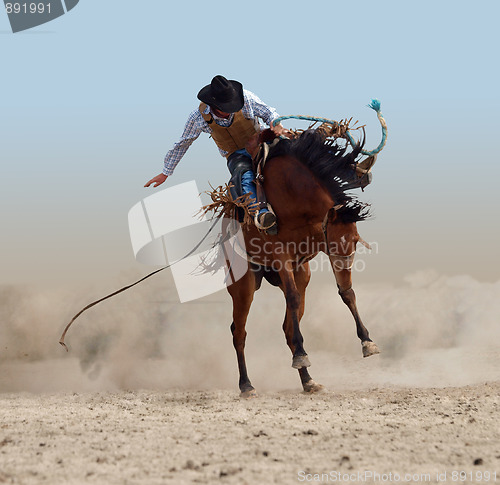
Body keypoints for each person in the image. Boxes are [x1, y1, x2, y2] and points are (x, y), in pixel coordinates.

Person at [145, 75, 289, 235]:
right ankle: (261, 214)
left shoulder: (246, 98)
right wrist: (166, 172)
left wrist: (277, 125)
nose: (231, 110)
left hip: (260, 142)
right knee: (243, 177)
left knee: (289, 156)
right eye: (226, 108)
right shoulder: (197, 117)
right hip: (236, 154)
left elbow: (269, 112)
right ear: (214, 106)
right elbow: (183, 143)